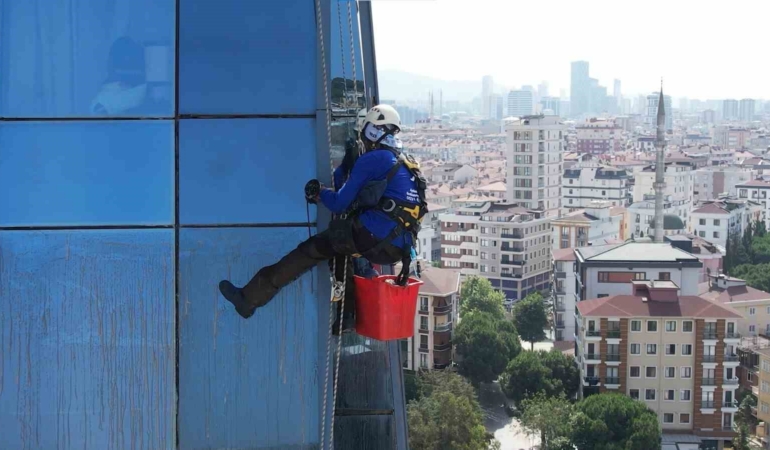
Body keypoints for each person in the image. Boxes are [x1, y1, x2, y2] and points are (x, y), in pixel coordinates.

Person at [219, 105, 428, 319]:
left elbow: (339, 203)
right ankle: (346, 318)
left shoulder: (373, 159)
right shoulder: (402, 161)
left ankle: (248, 300)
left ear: (375, 131)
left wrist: (320, 192)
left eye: (366, 131)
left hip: (374, 239)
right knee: (340, 247)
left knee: (310, 250)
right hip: (396, 248)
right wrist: (346, 168)